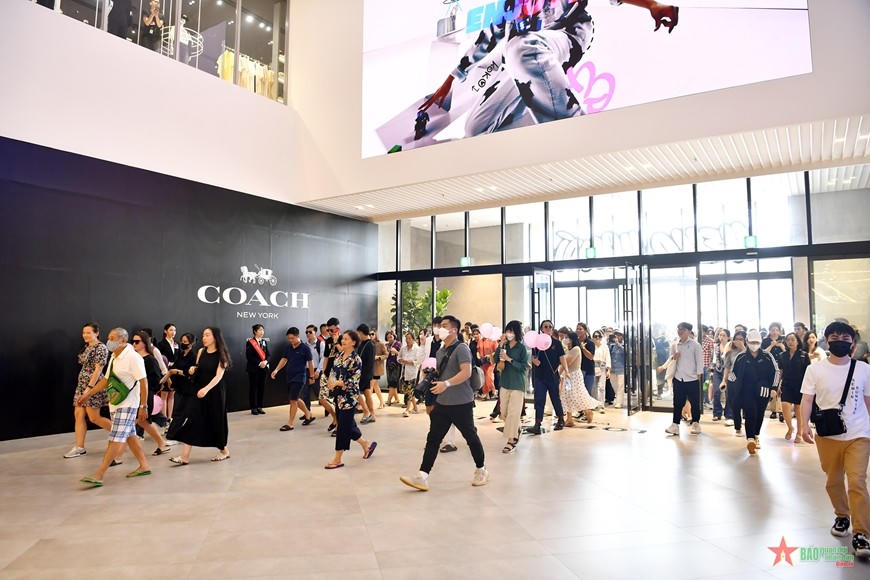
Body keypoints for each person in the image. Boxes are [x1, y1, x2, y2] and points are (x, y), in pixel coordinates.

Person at [800, 321, 870, 558]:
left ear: (853, 343)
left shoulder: (863, 369)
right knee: (833, 480)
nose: (840, 341)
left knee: (857, 481)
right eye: (834, 337)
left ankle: (862, 533)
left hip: (859, 434)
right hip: (828, 434)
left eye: (845, 338)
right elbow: (807, 400)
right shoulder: (815, 370)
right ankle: (842, 515)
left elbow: (868, 401)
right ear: (827, 341)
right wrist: (803, 426)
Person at [400, 315, 489, 491]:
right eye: (439, 325)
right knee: (433, 438)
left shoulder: (462, 348)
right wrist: (431, 375)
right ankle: (422, 476)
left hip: (461, 402)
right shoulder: (441, 351)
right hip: (443, 402)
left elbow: (466, 372)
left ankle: (481, 469)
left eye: (444, 326)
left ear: (454, 330)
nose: (440, 328)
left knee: (470, 437)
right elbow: (443, 372)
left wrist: (446, 384)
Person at [77, 328, 152, 486]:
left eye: (112, 338)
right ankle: (144, 465)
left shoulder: (133, 357)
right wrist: (88, 394)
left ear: (123, 340)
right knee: (130, 436)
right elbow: (105, 380)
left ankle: (99, 473)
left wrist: (143, 406)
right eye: (109, 337)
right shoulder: (114, 356)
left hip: (128, 404)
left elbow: (143, 382)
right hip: (116, 403)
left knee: (115, 438)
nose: (108, 341)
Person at [168, 327, 231, 464]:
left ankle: (224, 450)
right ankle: (184, 456)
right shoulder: (201, 351)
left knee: (215, 422)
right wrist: (193, 369)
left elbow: (218, 376)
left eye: (207, 335)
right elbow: (198, 368)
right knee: (192, 420)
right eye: (203, 335)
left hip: (214, 393)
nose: (204, 338)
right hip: (199, 391)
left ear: (215, 337)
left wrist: (206, 389)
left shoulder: (222, 355)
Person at [324, 330, 378, 469]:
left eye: (346, 339)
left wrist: (337, 383)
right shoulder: (339, 355)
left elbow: (354, 381)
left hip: (349, 397)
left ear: (354, 342)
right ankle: (366, 445)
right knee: (348, 425)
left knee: (342, 428)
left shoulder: (356, 359)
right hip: (338, 396)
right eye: (343, 339)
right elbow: (333, 372)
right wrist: (330, 381)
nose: (343, 341)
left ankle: (337, 458)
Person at [64, 323, 113, 459]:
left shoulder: (101, 348)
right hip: (81, 386)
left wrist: (89, 389)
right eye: (84, 333)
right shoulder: (87, 347)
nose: (85, 335)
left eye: (88, 332)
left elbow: (98, 370)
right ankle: (80, 447)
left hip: (93, 386)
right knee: (78, 414)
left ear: (96, 333)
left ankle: (123, 434)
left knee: (94, 417)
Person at [729, 329, 779, 454]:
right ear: (747, 342)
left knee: (760, 414)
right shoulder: (741, 357)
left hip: (763, 390)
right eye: (752, 342)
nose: (754, 345)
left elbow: (776, 372)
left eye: (757, 342)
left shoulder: (767, 356)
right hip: (746, 390)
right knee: (751, 412)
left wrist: (774, 388)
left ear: (761, 342)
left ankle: (756, 435)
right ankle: (750, 439)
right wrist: (735, 387)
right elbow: (732, 373)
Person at [130, 330, 174, 455]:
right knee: (142, 421)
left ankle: (118, 455)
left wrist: (146, 389)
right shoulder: (135, 358)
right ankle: (161, 443)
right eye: (133, 341)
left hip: (145, 394)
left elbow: (156, 380)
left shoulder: (150, 359)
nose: (134, 344)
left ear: (144, 343)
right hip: (135, 393)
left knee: (140, 421)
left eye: (137, 341)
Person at [271, 327, 316, 431]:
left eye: (292, 338)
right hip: (289, 377)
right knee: (295, 398)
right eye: (289, 338)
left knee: (293, 400)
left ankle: (290, 424)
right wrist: (276, 370)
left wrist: (312, 376)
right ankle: (308, 414)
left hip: (300, 377)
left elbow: (310, 363)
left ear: (297, 336)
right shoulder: (288, 347)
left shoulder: (305, 348)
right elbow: (284, 359)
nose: (290, 340)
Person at [495, 321, 529, 453]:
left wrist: (509, 359)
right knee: (504, 412)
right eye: (507, 331)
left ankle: (511, 440)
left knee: (514, 413)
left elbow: (523, 367)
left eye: (511, 331)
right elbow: (495, 359)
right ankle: (517, 429)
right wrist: (500, 345)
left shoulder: (521, 348)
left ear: (516, 332)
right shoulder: (504, 346)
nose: (508, 334)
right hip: (505, 382)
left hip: (517, 384)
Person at [665, 322, 704, 436]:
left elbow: (699, 361)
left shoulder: (695, 345)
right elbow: (671, 359)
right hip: (678, 378)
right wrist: (674, 357)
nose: (680, 331)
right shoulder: (675, 344)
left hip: (692, 379)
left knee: (694, 403)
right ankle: (675, 425)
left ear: (689, 331)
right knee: (677, 403)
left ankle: (696, 423)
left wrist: (699, 374)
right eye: (678, 329)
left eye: (682, 329)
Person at [530, 320, 567, 433]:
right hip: (540, 376)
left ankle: (561, 419)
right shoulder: (536, 343)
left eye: (550, 327)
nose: (548, 328)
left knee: (555, 398)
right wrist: (533, 360)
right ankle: (537, 423)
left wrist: (566, 370)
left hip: (552, 375)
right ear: (541, 329)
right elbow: (533, 356)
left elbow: (562, 358)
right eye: (545, 326)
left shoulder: (557, 343)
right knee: (539, 399)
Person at [779, 332, 810, 443]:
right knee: (785, 405)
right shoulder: (782, 355)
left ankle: (799, 433)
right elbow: (780, 371)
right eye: (788, 340)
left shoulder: (804, 355)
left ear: (797, 342)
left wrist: (809, 387)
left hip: (800, 385)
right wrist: (777, 385)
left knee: (798, 409)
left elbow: (809, 372)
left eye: (793, 339)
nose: (790, 342)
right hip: (786, 384)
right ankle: (790, 427)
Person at [561, 331, 597, 426]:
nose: (565, 339)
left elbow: (568, 362)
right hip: (567, 376)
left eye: (567, 337)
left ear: (572, 339)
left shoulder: (576, 349)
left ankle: (587, 410)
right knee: (567, 395)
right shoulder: (567, 349)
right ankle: (569, 418)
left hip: (574, 376)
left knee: (578, 394)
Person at [721, 330, 747, 433]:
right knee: (734, 404)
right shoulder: (730, 352)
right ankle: (737, 427)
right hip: (733, 380)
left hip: (747, 381)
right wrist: (724, 380)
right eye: (736, 339)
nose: (738, 341)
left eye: (741, 339)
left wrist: (743, 348)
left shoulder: (749, 352)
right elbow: (727, 368)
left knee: (747, 403)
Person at [167, 333, 196, 422]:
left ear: (191, 344)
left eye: (185, 342)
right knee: (178, 412)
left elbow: (190, 373)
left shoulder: (193, 356)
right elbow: (174, 367)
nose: (182, 343)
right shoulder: (181, 354)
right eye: (182, 341)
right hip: (178, 386)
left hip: (187, 388)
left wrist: (177, 371)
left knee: (180, 413)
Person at [156, 323, 180, 420]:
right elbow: (160, 359)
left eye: (174, 330)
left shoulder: (176, 344)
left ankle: (170, 418)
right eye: (171, 330)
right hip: (165, 371)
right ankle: (164, 418)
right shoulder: (161, 344)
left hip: (175, 372)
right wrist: (168, 364)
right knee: (164, 395)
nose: (173, 332)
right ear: (165, 331)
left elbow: (178, 356)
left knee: (172, 395)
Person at [245, 324, 270, 415]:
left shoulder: (264, 342)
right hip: (254, 369)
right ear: (255, 331)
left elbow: (268, 355)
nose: (262, 332)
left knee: (261, 388)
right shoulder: (250, 342)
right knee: (253, 388)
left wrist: (265, 362)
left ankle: (260, 407)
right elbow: (249, 356)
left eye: (263, 330)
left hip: (263, 369)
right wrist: (260, 363)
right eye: (260, 330)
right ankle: (253, 407)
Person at [763, 322, 786, 421]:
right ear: (769, 331)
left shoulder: (783, 340)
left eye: (777, 330)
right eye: (772, 330)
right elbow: (763, 353)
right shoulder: (765, 341)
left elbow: (787, 354)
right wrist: (771, 346)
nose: (775, 332)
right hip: (769, 368)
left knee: (780, 388)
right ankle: (773, 411)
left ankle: (781, 411)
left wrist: (782, 347)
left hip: (782, 367)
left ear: (780, 331)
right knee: (773, 388)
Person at [356, 324, 377, 424]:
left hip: (364, 373)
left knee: (356, 392)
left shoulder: (370, 344)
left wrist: (363, 374)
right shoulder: (363, 343)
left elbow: (369, 362)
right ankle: (371, 414)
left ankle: (367, 412)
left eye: (358, 333)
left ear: (361, 332)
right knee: (367, 393)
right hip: (363, 373)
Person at [399, 331, 421, 417]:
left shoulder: (417, 349)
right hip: (404, 372)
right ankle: (415, 408)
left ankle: (407, 410)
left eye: (409, 338)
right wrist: (401, 360)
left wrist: (409, 362)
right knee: (408, 391)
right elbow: (398, 357)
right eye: (406, 338)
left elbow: (418, 361)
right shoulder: (403, 348)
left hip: (413, 373)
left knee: (410, 391)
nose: (407, 340)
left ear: (413, 339)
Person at [709, 328, 730, 421]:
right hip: (717, 371)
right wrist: (711, 371)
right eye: (720, 335)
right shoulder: (716, 346)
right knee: (717, 391)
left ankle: (729, 414)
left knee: (728, 393)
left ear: (728, 337)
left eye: (724, 335)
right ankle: (717, 413)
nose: (721, 337)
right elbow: (713, 359)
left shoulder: (731, 346)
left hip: (729, 372)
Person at [304, 324, 324, 411]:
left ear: (315, 332)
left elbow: (323, 358)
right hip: (306, 371)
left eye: (310, 332)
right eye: (306, 332)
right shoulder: (304, 345)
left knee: (318, 393)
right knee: (305, 393)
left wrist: (318, 371)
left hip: (317, 370)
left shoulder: (321, 344)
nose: (308, 334)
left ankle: (328, 409)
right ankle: (307, 413)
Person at [592, 330, 611, 413]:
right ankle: (594, 404)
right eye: (595, 336)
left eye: (599, 336)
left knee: (602, 387)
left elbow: (608, 358)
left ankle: (601, 405)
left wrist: (608, 370)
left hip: (602, 367)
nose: (597, 338)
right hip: (593, 366)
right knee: (593, 387)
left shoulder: (604, 347)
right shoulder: (592, 346)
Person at [384, 330, 403, 406]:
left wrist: (396, 352)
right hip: (388, 365)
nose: (390, 339)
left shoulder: (398, 344)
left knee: (393, 383)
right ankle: (397, 399)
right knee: (391, 382)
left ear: (394, 336)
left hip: (396, 365)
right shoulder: (386, 345)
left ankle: (389, 400)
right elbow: (385, 355)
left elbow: (402, 355)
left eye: (391, 337)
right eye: (388, 337)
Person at [609, 330, 627, 409]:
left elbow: (626, 352)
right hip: (612, 368)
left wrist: (618, 344)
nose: (617, 337)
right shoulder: (611, 346)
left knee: (620, 385)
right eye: (615, 335)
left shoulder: (624, 345)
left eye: (618, 335)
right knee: (614, 385)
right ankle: (620, 399)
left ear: (622, 336)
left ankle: (619, 402)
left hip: (621, 368)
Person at [371, 329, 388, 410]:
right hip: (370, 368)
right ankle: (382, 402)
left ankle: (368, 405)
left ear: (376, 334)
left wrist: (378, 357)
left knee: (371, 386)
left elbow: (386, 355)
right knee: (376, 386)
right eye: (369, 334)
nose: (371, 336)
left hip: (377, 368)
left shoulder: (380, 344)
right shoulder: (368, 344)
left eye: (372, 334)